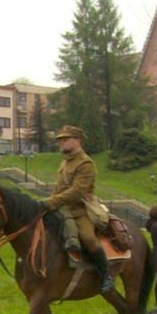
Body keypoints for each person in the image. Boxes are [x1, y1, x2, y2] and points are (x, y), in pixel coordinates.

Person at [39, 125, 114, 294]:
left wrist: (52, 202)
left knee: (88, 238)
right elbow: (59, 187)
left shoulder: (85, 163)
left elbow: (77, 191)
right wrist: (47, 203)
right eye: (60, 140)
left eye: (65, 139)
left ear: (77, 141)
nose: (61, 143)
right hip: (62, 208)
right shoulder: (65, 162)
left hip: (80, 211)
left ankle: (106, 276)